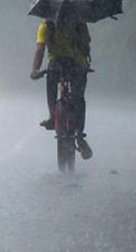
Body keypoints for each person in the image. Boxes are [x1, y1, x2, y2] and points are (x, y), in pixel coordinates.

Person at [30, 20, 93, 160]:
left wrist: (35, 70)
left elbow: (40, 49)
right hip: (77, 64)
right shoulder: (80, 23)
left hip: (56, 65)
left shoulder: (46, 25)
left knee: (51, 81)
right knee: (79, 98)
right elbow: (86, 46)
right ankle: (80, 136)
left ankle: (53, 116)